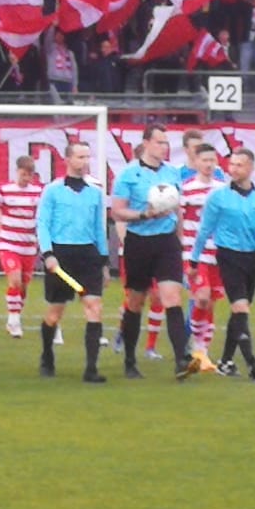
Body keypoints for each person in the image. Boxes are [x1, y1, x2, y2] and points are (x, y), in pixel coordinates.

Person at [188, 148, 255, 381]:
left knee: (240, 312)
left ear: (251, 169)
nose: (233, 169)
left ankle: (225, 361)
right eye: (231, 164)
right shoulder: (218, 197)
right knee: (240, 307)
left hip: (253, 257)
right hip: (228, 256)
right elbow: (204, 230)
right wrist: (194, 260)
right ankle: (251, 360)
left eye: (239, 165)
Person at [108, 125, 192, 379]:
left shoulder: (172, 173)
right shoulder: (127, 175)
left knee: (172, 298)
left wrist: (181, 240)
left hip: (166, 243)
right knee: (136, 301)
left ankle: (181, 361)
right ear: (146, 143)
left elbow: (178, 210)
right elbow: (117, 211)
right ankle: (130, 360)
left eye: (166, 143)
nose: (164, 147)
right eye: (159, 142)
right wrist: (144, 214)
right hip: (139, 241)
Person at [35, 141, 109, 383]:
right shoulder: (52, 191)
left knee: (94, 308)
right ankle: (47, 355)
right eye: (79, 157)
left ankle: (91, 368)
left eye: (87, 156)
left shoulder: (95, 192)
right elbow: (43, 223)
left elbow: (99, 228)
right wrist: (47, 253)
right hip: (61, 255)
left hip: (88, 256)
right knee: (55, 313)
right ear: (67, 159)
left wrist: (104, 260)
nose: (84, 161)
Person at [179, 143, 231, 375]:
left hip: (219, 254)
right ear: (196, 162)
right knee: (201, 298)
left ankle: (202, 351)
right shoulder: (187, 189)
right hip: (195, 254)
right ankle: (197, 348)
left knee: (210, 303)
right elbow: (179, 221)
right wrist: (183, 250)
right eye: (204, 161)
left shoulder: (223, 189)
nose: (209, 165)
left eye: (212, 160)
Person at [0, 154, 44, 339]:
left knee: (24, 286)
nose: (26, 178)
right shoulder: (3, 191)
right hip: (9, 243)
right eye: (24, 174)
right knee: (15, 280)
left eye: (30, 175)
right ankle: (14, 320)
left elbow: (42, 218)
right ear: (17, 171)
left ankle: (15, 315)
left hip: (28, 245)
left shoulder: (38, 193)